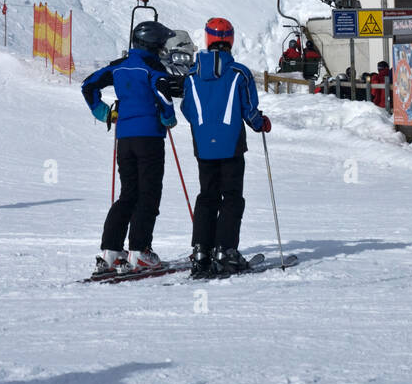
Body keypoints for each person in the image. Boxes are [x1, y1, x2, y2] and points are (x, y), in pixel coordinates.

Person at [82, 19, 177, 272]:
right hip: (150, 139)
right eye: (161, 44)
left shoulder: (119, 66)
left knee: (128, 194)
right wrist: (169, 116)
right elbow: (162, 92)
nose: (163, 50)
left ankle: (111, 251)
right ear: (153, 45)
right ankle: (139, 251)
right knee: (148, 194)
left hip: (124, 139)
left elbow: (88, 85)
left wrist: (103, 112)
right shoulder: (152, 66)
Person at [180, 17, 271, 279]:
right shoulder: (238, 72)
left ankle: (201, 251)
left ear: (208, 39)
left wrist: (204, 127)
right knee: (231, 197)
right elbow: (249, 110)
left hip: (203, 147)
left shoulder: (192, 74)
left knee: (207, 196)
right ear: (230, 40)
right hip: (231, 145)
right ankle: (225, 250)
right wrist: (260, 123)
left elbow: (187, 109)